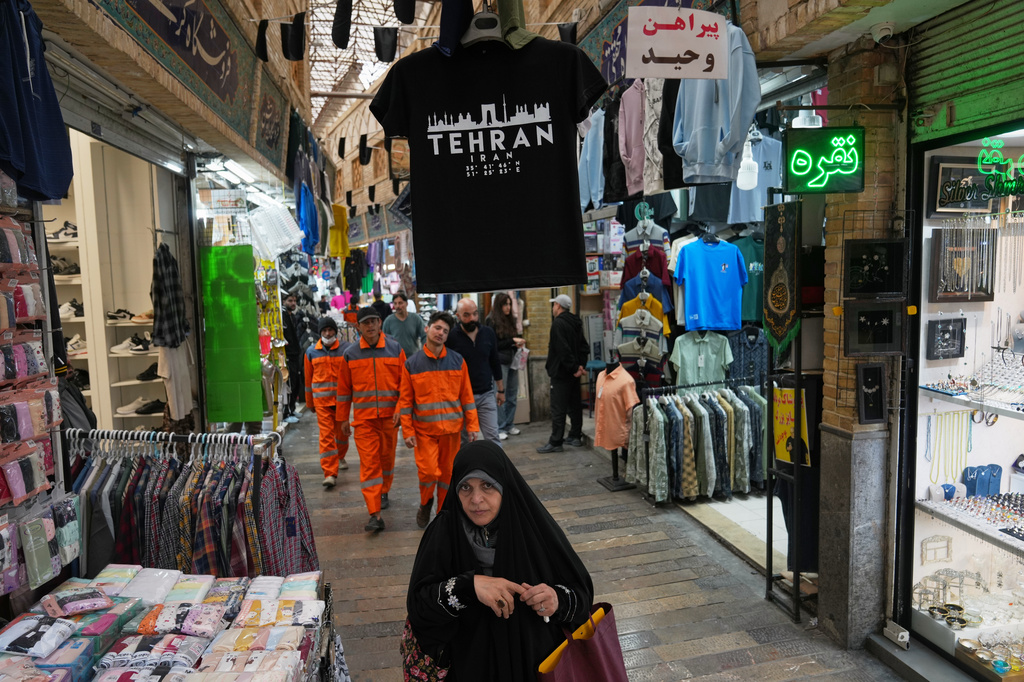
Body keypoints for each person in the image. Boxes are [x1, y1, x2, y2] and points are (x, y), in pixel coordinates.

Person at [405, 440, 594, 681]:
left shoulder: (533, 528)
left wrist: (556, 599)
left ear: (504, 484)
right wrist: (468, 587)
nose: (476, 499)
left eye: (487, 486)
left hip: (535, 668)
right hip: (467, 668)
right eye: (465, 487)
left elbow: (582, 595)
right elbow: (420, 606)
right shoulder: (444, 532)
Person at [398, 311, 481, 529]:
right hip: (424, 432)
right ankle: (426, 503)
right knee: (428, 473)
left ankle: (444, 513)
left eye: (445, 331)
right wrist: (407, 431)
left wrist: (472, 425)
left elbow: (467, 396)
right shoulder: (412, 364)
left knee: (448, 475)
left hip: (452, 431)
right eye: (437, 328)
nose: (441, 333)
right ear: (426, 329)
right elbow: (405, 402)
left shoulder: (457, 361)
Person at [336, 307, 406, 533]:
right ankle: (374, 513)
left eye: (374, 321)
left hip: (389, 419)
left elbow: (405, 385)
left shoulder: (395, 349)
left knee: (386, 459)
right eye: (365, 323)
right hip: (364, 421)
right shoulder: (350, 353)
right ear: (358, 327)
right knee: (369, 465)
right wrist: (343, 418)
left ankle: (384, 489)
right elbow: (344, 389)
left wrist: (401, 409)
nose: (371, 326)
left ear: (380, 323)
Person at [446, 298, 504, 445]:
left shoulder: (488, 333)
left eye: (474, 314)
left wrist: (501, 390)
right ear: (458, 317)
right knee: (464, 440)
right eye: (466, 315)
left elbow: (495, 361)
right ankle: (466, 467)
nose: (472, 318)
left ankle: (497, 467)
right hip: (461, 398)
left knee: (493, 437)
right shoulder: (451, 337)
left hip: (486, 394)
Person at [537, 294, 588, 454]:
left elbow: (562, 349)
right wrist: (580, 367)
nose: (553, 308)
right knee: (574, 405)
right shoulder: (576, 322)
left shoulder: (558, 324)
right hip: (573, 373)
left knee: (558, 407)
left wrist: (574, 368)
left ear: (558, 306)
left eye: (554, 305)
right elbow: (583, 347)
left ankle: (556, 441)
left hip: (562, 373)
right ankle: (575, 435)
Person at [305, 317, 351, 486]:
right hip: (322, 402)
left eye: (330, 330)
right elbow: (308, 380)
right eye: (324, 331)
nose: (327, 333)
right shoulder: (311, 352)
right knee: (326, 437)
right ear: (320, 332)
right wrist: (309, 402)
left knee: (342, 435)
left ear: (335, 331)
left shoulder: (346, 350)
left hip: (341, 402)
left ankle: (340, 456)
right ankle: (330, 473)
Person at [485, 293, 525, 440]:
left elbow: (510, 340)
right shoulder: (491, 321)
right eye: (505, 304)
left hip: (513, 359)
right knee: (500, 394)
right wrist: (512, 341)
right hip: (500, 361)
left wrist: (517, 344)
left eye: (509, 304)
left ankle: (509, 424)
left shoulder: (511, 320)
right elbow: (493, 345)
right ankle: (500, 426)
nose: (508, 307)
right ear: (499, 305)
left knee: (512, 394)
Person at [282, 293, 304, 422]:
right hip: (288, 355)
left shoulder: (293, 317)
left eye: (295, 300)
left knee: (295, 383)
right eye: (290, 300)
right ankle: (287, 413)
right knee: (289, 384)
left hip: (295, 354)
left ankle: (291, 409)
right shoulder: (283, 316)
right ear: (284, 301)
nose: (293, 303)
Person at [382, 291, 425, 358]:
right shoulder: (388, 321)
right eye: (395, 303)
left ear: (406, 304)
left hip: (413, 358)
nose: (397, 306)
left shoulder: (415, 319)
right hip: (395, 358)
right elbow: (384, 340)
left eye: (400, 303)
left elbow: (424, 335)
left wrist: (424, 352)